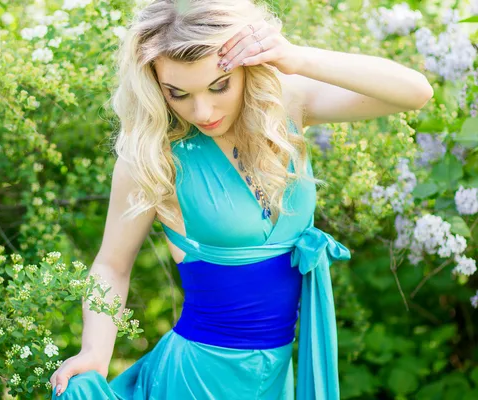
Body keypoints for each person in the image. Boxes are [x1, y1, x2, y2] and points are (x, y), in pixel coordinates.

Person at [49, 0, 433, 398]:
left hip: (274, 377)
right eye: (178, 93)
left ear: (249, 65)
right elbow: (112, 265)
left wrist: (294, 57)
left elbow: (414, 92)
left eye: (219, 85)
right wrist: (95, 351)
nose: (203, 110)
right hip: (198, 380)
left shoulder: (285, 107)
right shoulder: (152, 152)